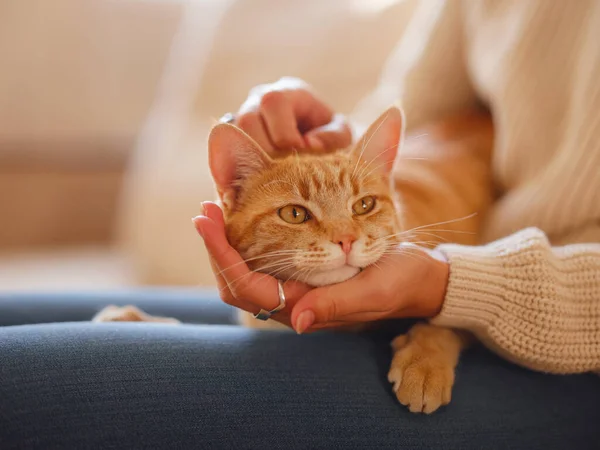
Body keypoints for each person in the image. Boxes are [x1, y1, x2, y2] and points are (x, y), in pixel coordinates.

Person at [1, 1, 599, 448]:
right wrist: (333, 145)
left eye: (358, 217)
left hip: (567, 352)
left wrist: (443, 301)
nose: (342, 238)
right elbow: (408, 119)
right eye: (298, 217)